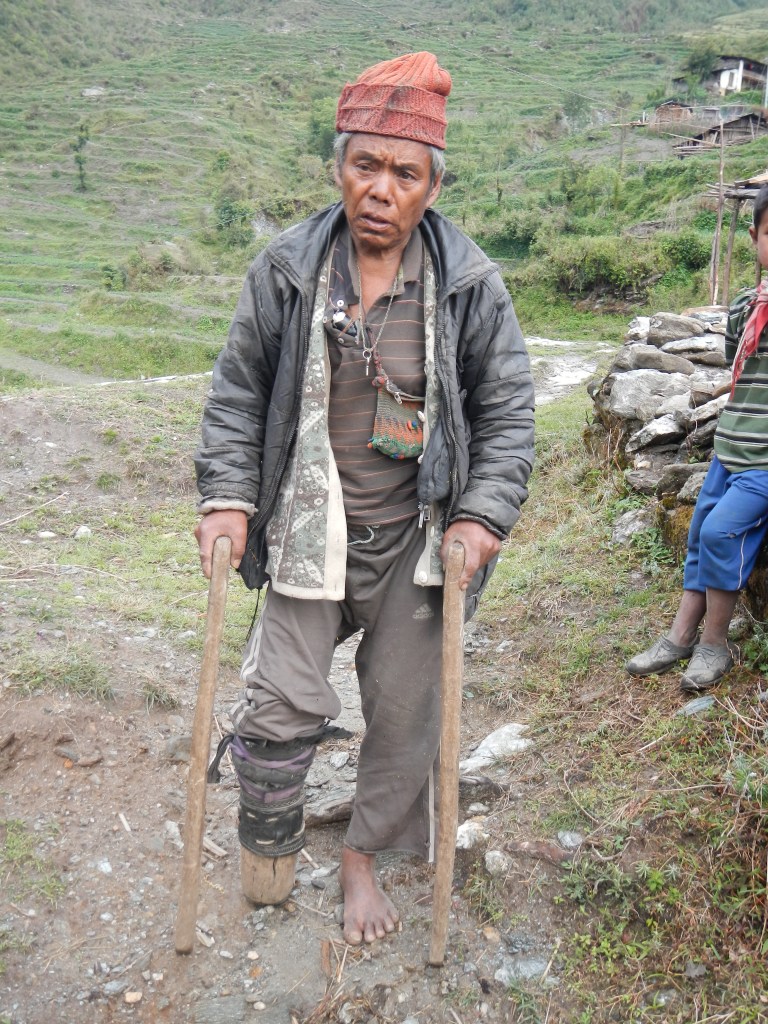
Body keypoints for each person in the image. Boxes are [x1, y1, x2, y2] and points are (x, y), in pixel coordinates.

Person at [194, 51, 535, 945]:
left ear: (432, 188)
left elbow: (507, 415)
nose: (382, 189)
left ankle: (360, 859)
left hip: (417, 541)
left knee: (406, 717)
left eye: (405, 173)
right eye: (366, 165)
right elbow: (237, 393)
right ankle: (269, 851)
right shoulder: (286, 270)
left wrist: (480, 516)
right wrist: (227, 498)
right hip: (309, 528)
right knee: (278, 705)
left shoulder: (469, 285)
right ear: (338, 168)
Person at [626, 183, 768, 694]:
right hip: (730, 449)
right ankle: (681, 634)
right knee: (699, 534)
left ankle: (714, 643)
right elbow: (738, 368)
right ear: (754, 237)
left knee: (719, 534)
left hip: (764, 464)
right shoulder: (746, 307)